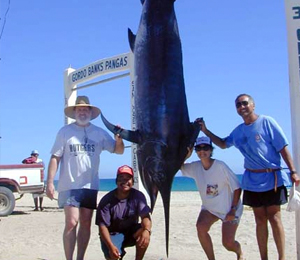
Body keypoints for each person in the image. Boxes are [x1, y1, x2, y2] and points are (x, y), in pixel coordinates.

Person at [197, 93, 300, 260]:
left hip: (272, 178)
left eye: (244, 103)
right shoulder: (238, 132)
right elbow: (223, 144)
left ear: (253, 105)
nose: (242, 107)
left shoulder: (267, 122)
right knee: (259, 220)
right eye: (238, 105)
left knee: (274, 218)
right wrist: (206, 131)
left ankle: (282, 257)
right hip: (252, 181)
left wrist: (293, 171)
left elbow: (283, 148)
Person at [46, 96, 124, 260]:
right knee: (71, 222)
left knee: (86, 223)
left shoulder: (99, 132)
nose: (82, 112)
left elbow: (118, 151)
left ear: (90, 112)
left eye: (85, 109)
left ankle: (80, 257)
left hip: (90, 185)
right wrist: (49, 183)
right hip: (69, 185)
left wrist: (119, 139)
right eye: (79, 109)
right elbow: (55, 157)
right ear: (74, 112)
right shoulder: (65, 131)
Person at [181, 136, 244, 260]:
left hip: (229, 209)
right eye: (199, 148)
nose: (202, 151)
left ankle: (239, 252)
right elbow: (179, 166)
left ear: (211, 150)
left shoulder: (220, 166)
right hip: (210, 209)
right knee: (201, 228)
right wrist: (186, 155)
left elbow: (237, 188)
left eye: (206, 148)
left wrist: (233, 209)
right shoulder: (195, 167)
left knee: (228, 243)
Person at [96, 165, 152, 260]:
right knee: (113, 257)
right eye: (121, 178)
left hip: (130, 233)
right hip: (112, 235)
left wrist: (147, 230)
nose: (124, 181)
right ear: (116, 181)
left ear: (132, 181)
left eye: (128, 178)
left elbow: (145, 216)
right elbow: (102, 227)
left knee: (144, 230)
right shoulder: (106, 200)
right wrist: (110, 246)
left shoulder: (138, 196)